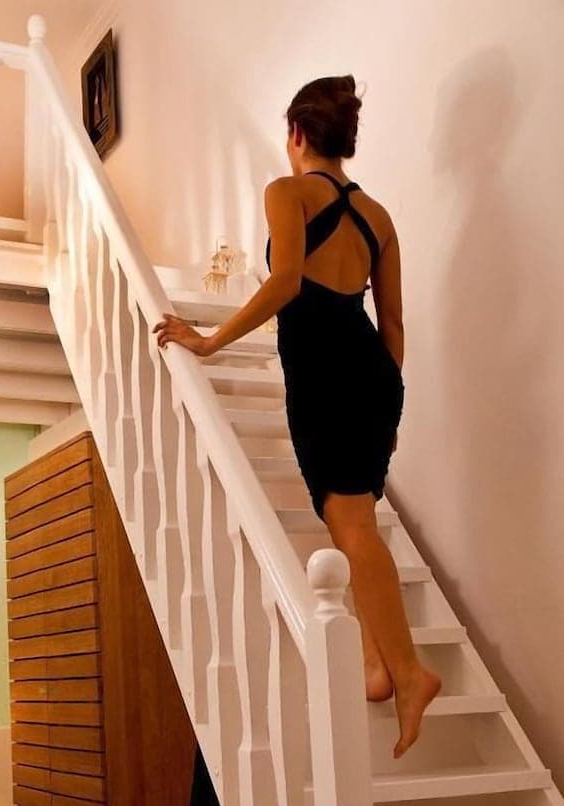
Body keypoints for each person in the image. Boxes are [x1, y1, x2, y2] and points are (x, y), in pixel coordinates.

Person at [153, 75, 441, 759]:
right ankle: (376, 664)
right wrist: (389, 403)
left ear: (298, 134)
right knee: (351, 521)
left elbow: (285, 282)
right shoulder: (379, 217)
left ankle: (409, 672)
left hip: (324, 376)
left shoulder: (286, 193)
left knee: (350, 523)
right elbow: (394, 322)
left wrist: (210, 341)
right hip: (373, 373)